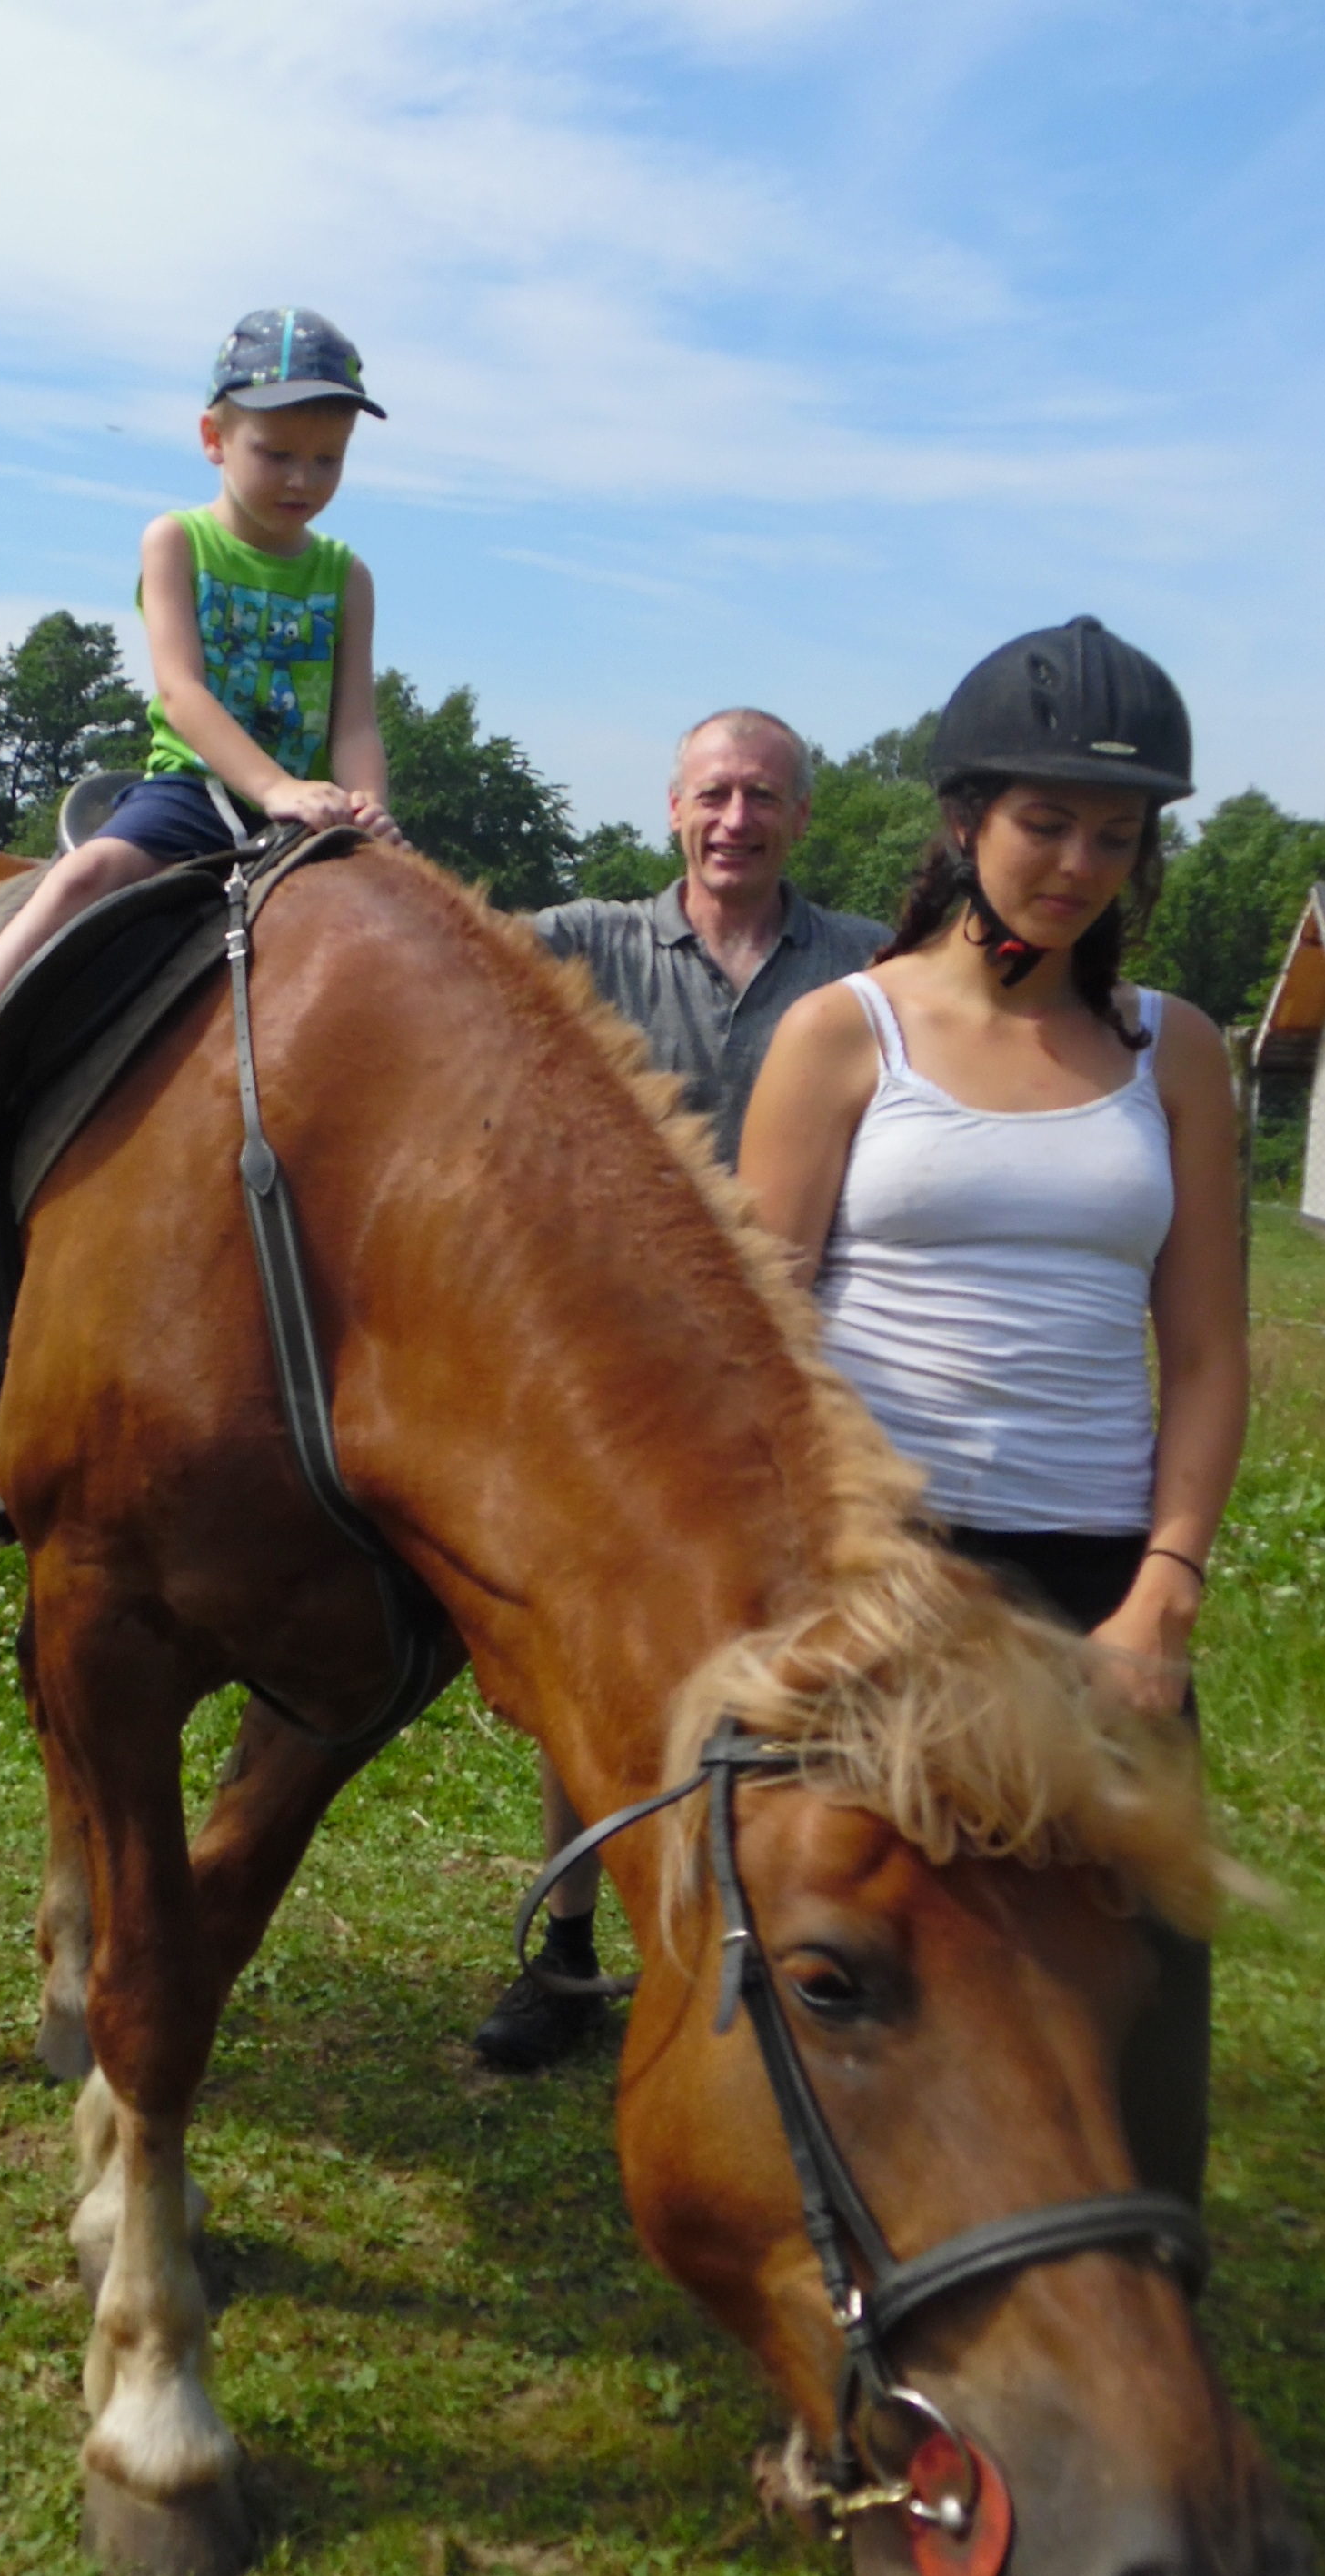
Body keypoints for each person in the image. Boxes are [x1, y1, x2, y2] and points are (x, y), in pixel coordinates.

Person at [738, 615, 1241, 2204]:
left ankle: (1140, 2288)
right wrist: (829, 1586)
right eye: (1045, 822)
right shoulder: (846, 1031)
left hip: (1098, 1588)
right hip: (886, 1575)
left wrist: (1161, 1594)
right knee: (882, 1983)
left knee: (1132, 1991)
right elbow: (761, 1343)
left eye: (1116, 834)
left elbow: (1206, 1356)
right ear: (964, 819)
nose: (1078, 863)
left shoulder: (1175, 1052)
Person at [471, 708, 888, 2070]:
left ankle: (784, 1935)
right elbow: (443, 968)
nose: (735, 820)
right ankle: (567, 1950)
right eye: (714, 794)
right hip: (625, 1387)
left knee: (809, 1667)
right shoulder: (585, 942)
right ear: (672, 808)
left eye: (762, 797)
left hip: (814, 1374)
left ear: (800, 818)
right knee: (595, 1655)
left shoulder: (865, 964)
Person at [0, 309, 402, 1175]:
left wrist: (367, 807)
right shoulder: (177, 541)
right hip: (196, 793)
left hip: (306, 816)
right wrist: (275, 787)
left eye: (326, 459)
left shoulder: (347, 576)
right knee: (86, 876)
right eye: (276, 453)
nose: (302, 478)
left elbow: (354, 723)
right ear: (213, 439)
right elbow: (182, 694)